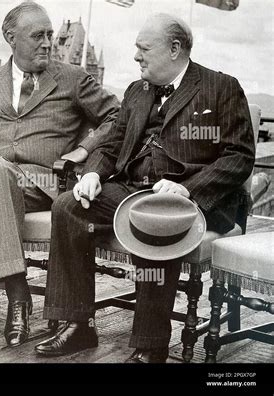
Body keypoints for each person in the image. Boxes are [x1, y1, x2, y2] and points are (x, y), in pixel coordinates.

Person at [35, 13, 255, 363]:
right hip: (131, 189)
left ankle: (150, 346)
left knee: (157, 220)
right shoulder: (137, 91)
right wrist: (93, 173)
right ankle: (78, 324)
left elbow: (239, 156)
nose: (135, 56)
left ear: (174, 49)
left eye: (143, 49)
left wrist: (189, 190)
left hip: (189, 198)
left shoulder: (221, 87)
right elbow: (111, 144)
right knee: (68, 207)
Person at [0, 1, 119, 360]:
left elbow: (117, 116)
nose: (48, 42)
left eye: (51, 35)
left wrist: (83, 148)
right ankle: (15, 295)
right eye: (38, 35)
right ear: (11, 38)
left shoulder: (72, 78)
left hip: (42, 183)